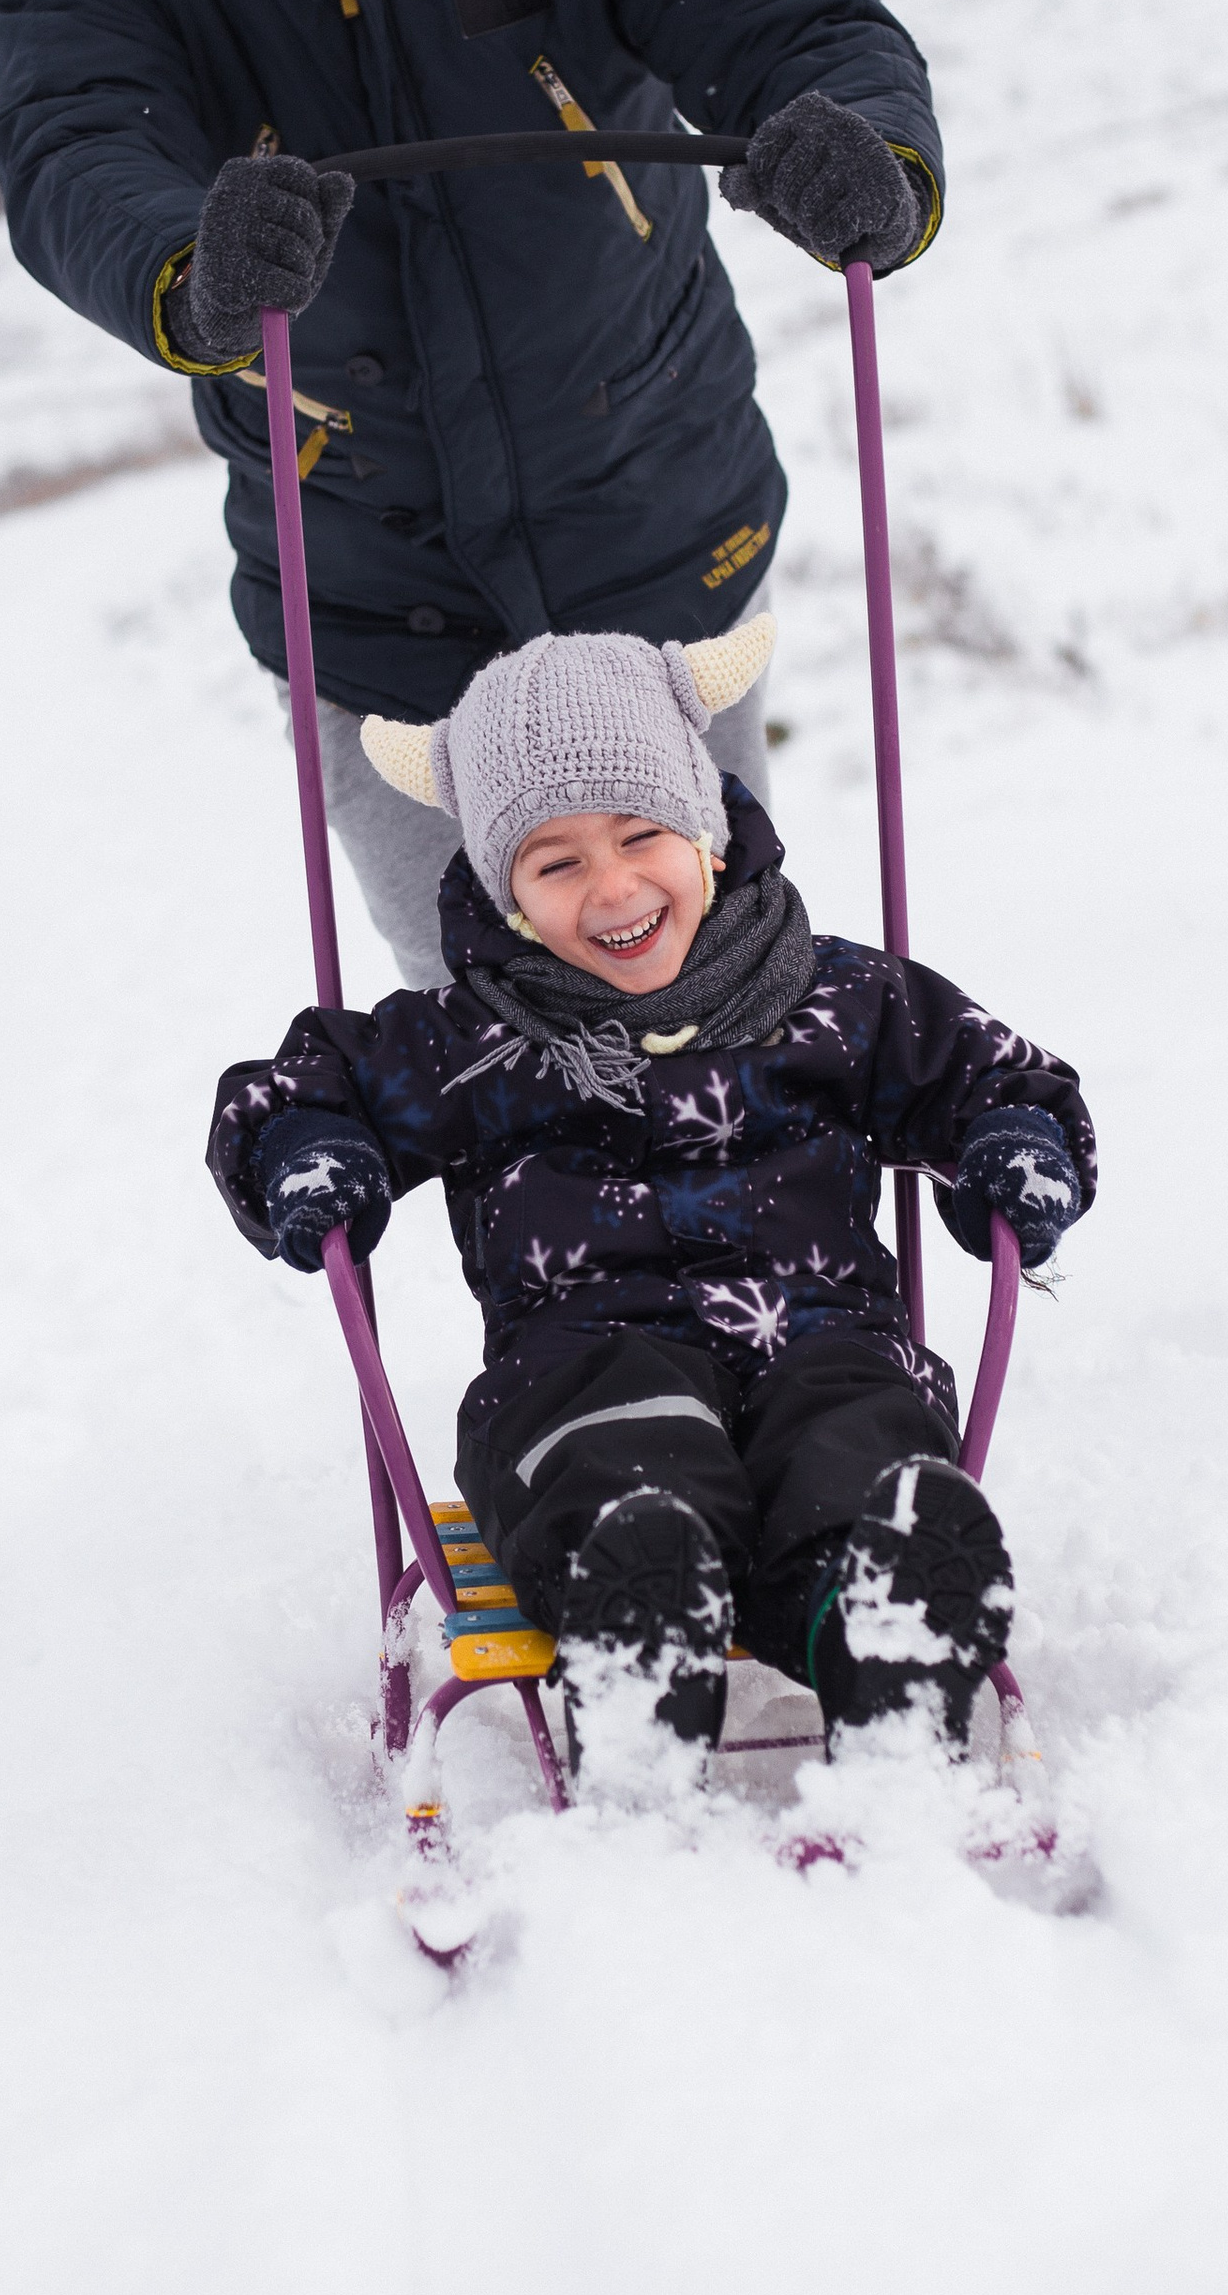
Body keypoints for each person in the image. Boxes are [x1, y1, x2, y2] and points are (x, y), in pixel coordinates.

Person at [0, 0, 945, 986]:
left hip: (654, 540)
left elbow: (790, 18)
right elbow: (73, 143)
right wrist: (189, 268)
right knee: (484, 1040)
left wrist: (859, 143)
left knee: (713, 988)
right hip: (374, 606)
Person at [206, 622, 1094, 1781]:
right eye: (556, 862)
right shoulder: (471, 1039)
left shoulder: (836, 994)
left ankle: (879, 1623)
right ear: (504, 889)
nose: (612, 886)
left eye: (641, 836)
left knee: (855, 1430)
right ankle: (638, 1635)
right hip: (582, 1360)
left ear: (708, 835)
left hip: (824, 1343)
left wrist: (1014, 1141)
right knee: (612, 1449)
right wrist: (308, 1151)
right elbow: (295, 1089)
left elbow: (991, 1073)